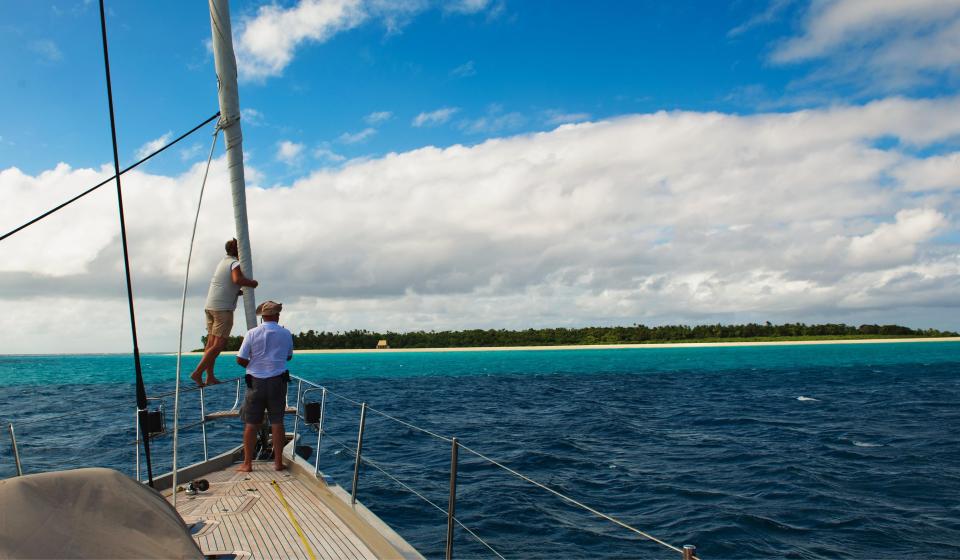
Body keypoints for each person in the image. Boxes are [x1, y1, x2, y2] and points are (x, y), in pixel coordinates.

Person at [190, 238, 258, 387]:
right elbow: (236, 279)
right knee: (218, 345)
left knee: (210, 344)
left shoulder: (223, 262)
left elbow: (225, 284)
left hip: (210, 306)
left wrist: (237, 293)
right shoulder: (234, 263)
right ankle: (197, 373)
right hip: (222, 309)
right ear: (237, 251)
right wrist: (252, 283)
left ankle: (210, 376)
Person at [235, 300, 293, 472]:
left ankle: (247, 464)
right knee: (277, 422)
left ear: (262, 316)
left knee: (251, 423)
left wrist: (254, 366)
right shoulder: (286, 333)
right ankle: (277, 463)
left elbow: (240, 358)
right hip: (278, 382)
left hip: (256, 383)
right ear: (277, 315)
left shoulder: (252, 333)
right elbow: (289, 357)